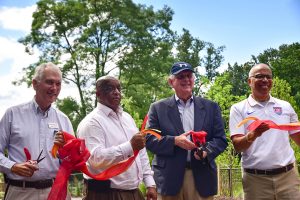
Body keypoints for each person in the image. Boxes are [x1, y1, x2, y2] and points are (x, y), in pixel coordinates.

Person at [145, 61, 228, 200]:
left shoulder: (211, 107)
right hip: (168, 178)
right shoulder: (157, 108)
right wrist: (174, 141)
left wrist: (207, 150)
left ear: (194, 79)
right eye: (181, 77)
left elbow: (220, 139)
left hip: (201, 177)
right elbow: (149, 140)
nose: (186, 80)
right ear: (171, 82)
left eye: (189, 76)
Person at [0, 62, 74, 200]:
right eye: (49, 82)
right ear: (35, 84)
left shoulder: (63, 119)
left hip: (56, 191)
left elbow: (72, 160)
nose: (54, 88)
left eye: (58, 84)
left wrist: (66, 150)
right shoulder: (12, 114)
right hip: (20, 192)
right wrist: (13, 166)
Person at [77, 75, 157, 200]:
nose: (116, 92)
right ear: (98, 94)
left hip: (134, 192)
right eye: (110, 88)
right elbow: (95, 159)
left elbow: (140, 151)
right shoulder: (91, 122)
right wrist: (129, 146)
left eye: (119, 88)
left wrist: (150, 183)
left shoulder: (127, 118)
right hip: (105, 194)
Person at [229, 63, 300, 200]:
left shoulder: (285, 106)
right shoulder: (238, 109)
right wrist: (252, 135)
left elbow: (297, 137)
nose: (265, 80)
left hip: (288, 177)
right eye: (259, 76)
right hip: (255, 180)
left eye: (268, 76)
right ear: (250, 81)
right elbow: (237, 146)